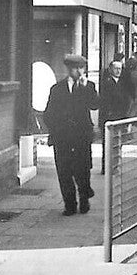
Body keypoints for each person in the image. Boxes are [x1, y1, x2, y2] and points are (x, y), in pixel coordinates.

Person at [43, 54, 98, 215]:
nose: (79, 72)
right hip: (63, 137)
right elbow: (49, 114)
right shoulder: (57, 88)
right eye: (76, 68)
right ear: (68, 69)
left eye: (82, 68)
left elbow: (95, 105)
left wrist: (86, 87)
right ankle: (69, 204)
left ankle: (84, 199)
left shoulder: (89, 86)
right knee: (64, 171)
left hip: (82, 136)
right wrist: (56, 129)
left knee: (83, 169)